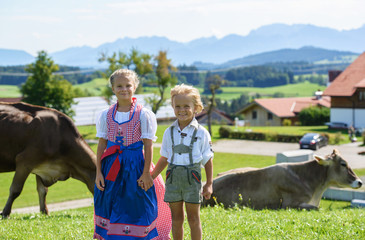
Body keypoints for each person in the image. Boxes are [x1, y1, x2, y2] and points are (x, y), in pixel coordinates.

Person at [93, 69, 171, 240]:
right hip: (111, 167)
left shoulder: (143, 114)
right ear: (112, 88)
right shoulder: (106, 114)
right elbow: (101, 145)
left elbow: (148, 145)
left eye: (128, 85)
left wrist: (146, 173)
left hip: (135, 166)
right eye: (119, 86)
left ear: (134, 87)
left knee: (138, 205)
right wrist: (98, 172)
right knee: (111, 204)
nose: (124, 89)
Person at [152, 84, 214, 240]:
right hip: (173, 179)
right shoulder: (169, 132)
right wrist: (151, 176)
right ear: (173, 107)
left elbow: (207, 159)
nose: (182, 110)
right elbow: (165, 157)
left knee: (193, 218)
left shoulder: (201, 132)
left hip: (192, 179)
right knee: (176, 219)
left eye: (186, 106)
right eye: (177, 106)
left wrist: (209, 183)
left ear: (196, 107)